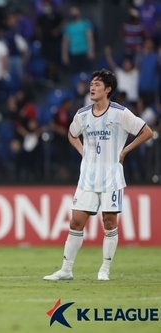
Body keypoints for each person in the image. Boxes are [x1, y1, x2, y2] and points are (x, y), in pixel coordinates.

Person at [43, 69, 153, 281]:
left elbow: (146, 131)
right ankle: (66, 270)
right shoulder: (82, 114)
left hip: (111, 177)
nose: (92, 87)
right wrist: (83, 151)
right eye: (91, 84)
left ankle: (104, 269)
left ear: (108, 89)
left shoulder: (120, 113)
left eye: (97, 84)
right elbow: (72, 134)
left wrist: (125, 151)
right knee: (76, 221)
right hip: (87, 177)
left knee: (109, 222)